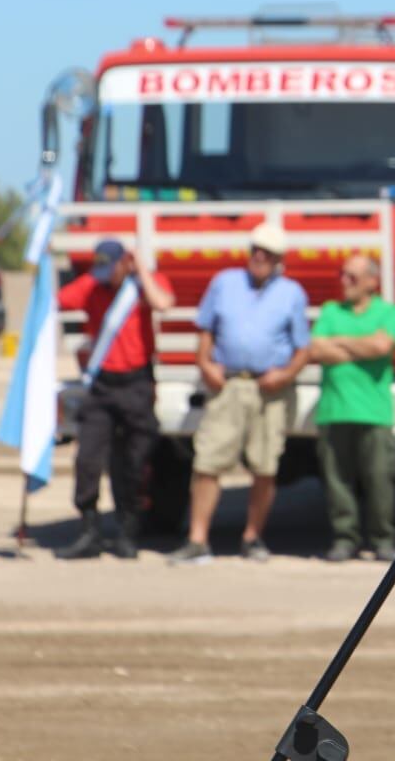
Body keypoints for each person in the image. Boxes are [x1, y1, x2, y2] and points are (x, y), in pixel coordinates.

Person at [169, 223, 311, 565]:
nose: (258, 257)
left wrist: (285, 375)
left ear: (278, 259)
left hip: (270, 392)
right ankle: (198, 540)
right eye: (255, 250)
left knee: (264, 465)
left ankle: (252, 537)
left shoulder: (292, 293)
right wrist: (205, 364)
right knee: (208, 461)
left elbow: (303, 348)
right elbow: (206, 329)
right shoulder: (224, 283)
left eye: (267, 253)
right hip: (228, 386)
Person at [56, 239, 176, 560]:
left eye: (111, 267)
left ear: (126, 262)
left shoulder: (142, 285)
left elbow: (163, 303)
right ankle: (89, 530)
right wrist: (90, 275)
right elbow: (58, 300)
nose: (106, 275)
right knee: (88, 459)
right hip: (102, 386)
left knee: (134, 463)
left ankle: (128, 531)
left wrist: (140, 273)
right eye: (102, 268)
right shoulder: (93, 286)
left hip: (136, 383)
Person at [310, 253, 395, 562]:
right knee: (337, 482)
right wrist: (362, 347)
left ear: (371, 282)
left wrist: (338, 342)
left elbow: (382, 346)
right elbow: (317, 350)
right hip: (334, 410)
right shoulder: (330, 310)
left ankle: (383, 538)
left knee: (379, 479)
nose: (344, 281)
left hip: (374, 412)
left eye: (352, 276)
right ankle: (344, 538)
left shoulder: (389, 311)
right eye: (343, 274)